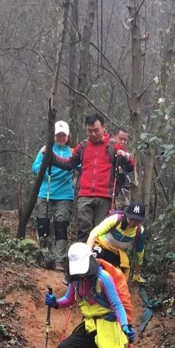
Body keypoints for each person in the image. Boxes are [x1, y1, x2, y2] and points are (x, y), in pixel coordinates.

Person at [51, 113, 135, 241]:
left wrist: (125, 157)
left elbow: (130, 167)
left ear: (103, 128)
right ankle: (80, 259)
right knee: (83, 230)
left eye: (96, 130)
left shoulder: (113, 145)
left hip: (105, 196)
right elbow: (69, 164)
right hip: (84, 195)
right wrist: (51, 157)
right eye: (90, 131)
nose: (93, 134)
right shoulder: (83, 146)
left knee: (100, 232)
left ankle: (96, 260)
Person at [31, 120, 75, 270]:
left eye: (63, 135)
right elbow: (35, 167)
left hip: (64, 194)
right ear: (54, 136)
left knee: (61, 225)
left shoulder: (73, 153)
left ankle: (60, 258)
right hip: (46, 191)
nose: (61, 138)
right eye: (58, 135)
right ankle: (45, 255)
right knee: (43, 223)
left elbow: (82, 166)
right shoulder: (45, 150)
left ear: (68, 136)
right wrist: (43, 164)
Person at [87, 202, 147, 283]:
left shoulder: (140, 231)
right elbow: (94, 233)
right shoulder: (115, 219)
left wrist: (137, 274)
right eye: (131, 219)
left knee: (119, 276)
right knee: (95, 257)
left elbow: (139, 253)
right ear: (126, 215)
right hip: (101, 247)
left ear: (141, 221)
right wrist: (87, 254)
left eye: (136, 221)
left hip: (116, 254)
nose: (132, 223)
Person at [114, 130, 135, 208]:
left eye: (125, 140)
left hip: (122, 189)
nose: (123, 142)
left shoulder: (126, 153)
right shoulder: (112, 148)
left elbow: (131, 165)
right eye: (121, 139)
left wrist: (126, 156)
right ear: (115, 137)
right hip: (110, 189)